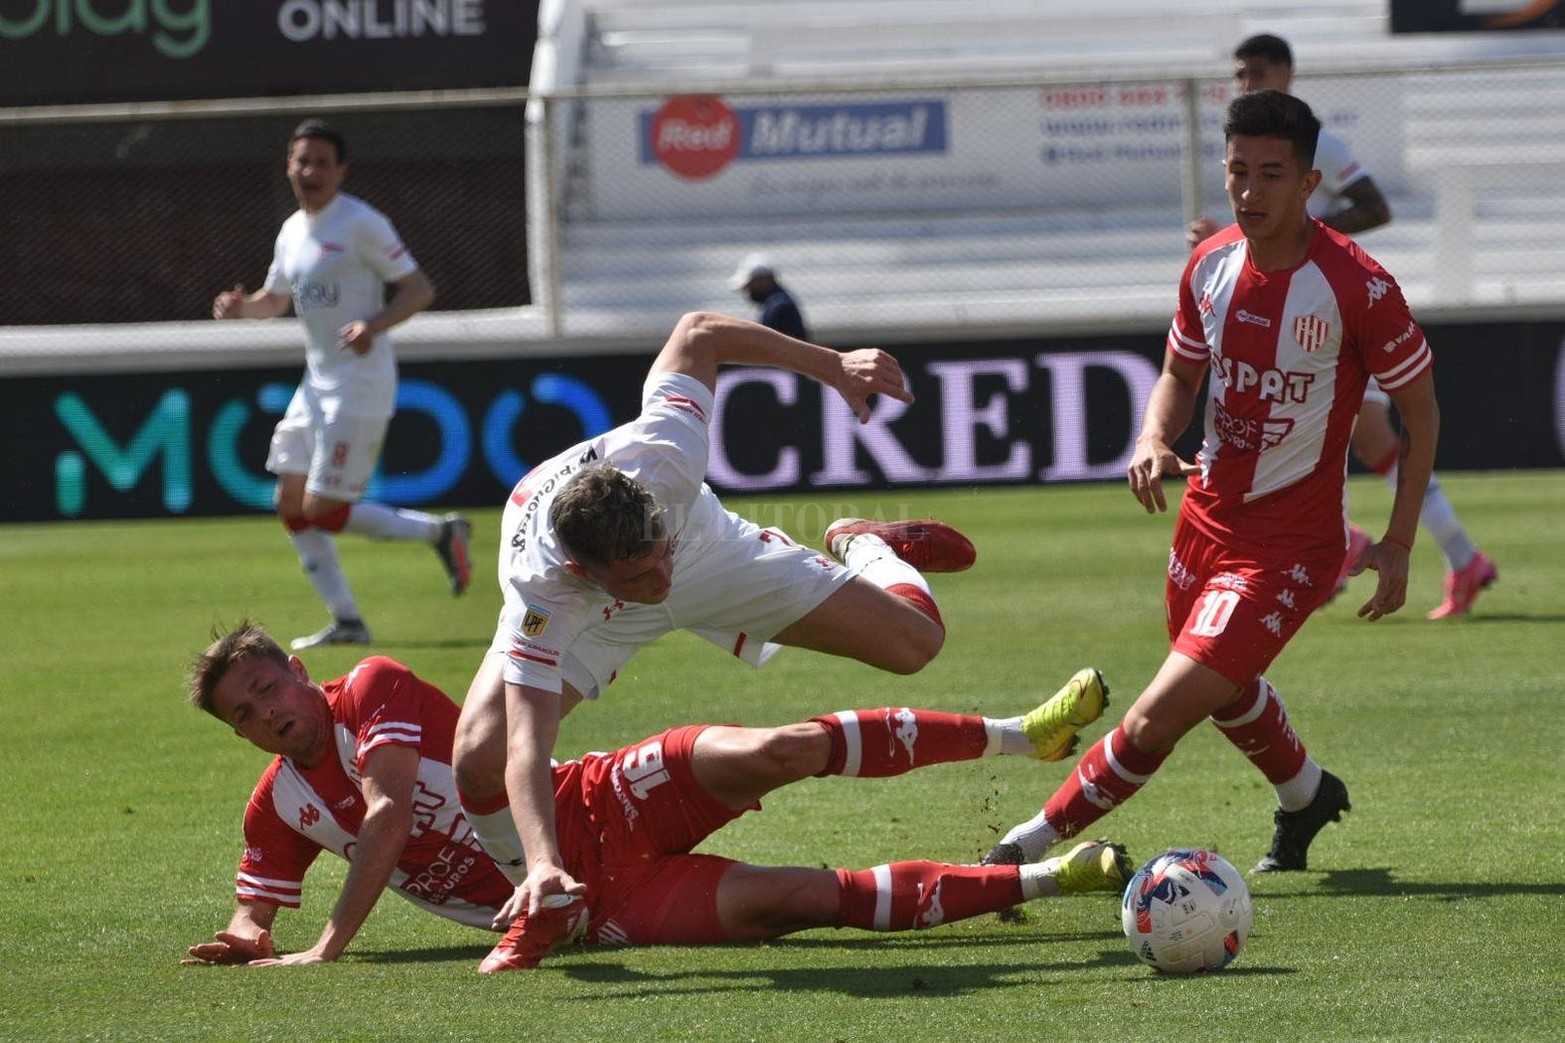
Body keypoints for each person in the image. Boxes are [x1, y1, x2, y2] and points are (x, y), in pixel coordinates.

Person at [451, 310, 1083, 935]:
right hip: (600, 620)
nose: (660, 581)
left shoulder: (666, 454)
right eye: (642, 577)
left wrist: (833, 366)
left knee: (916, 643)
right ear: (586, 573)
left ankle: (862, 543)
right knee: (478, 757)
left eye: (655, 556)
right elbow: (526, 744)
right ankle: (546, 899)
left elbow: (699, 331)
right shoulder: (544, 592)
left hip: (707, 549)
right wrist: (542, 862)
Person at [985, 89, 1441, 877]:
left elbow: (1422, 413)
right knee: (1220, 688)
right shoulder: (1209, 264)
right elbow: (1177, 372)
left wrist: (1398, 540)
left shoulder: (1355, 287)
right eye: (1236, 171)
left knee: (1160, 711)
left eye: (1270, 175)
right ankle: (1305, 793)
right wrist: (1153, 433)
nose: (1247, 191)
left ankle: (1021, 849)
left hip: (1288, 545)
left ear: (1308, 184)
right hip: (1202, 517)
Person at [181, 622, 1130, 971]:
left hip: (590, 801)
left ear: (300, 673)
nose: (266, 714)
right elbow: (253, 903)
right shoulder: (279, 805)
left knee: (778, 746)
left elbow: (388, 809)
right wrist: (249, 933)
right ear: (238, 735)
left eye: (269, 689)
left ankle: (1022, 732)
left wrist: (326, 946)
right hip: (593, 911)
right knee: (796, 900)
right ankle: (1051, 878)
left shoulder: (374, 688)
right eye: (245, 714)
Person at [1188, 34, 1495, 618]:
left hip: (1331, 316)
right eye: (1240, 75)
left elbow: (1376, 205)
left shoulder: (1318, 144)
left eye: (1256, 71)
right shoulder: (1255, 144)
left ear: (1286, 71)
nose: (1246, 83)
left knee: (1356, 433)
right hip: (1300, 310)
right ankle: (1453, 557)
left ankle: (1364, 546)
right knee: (1367, 437)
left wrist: (1314, 234)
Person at [211, 118, 472, 652]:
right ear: (289, 165)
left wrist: (374, 324)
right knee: (290, 499)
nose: (310, 172)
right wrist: (242, 309)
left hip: (361, 382)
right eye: (302, 161)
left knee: (325, 512)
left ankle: (440, 532)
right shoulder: (291, 231)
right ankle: (348, 620)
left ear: (340, 171)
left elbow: (419, 289)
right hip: (317, 382)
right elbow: (275, 299)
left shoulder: (361, 223)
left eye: (322, 163)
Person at [727, 252, 809, 341]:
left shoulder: (779, 307)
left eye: (751, 284)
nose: (748, 290)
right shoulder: (776, 302)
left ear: (765, 279)